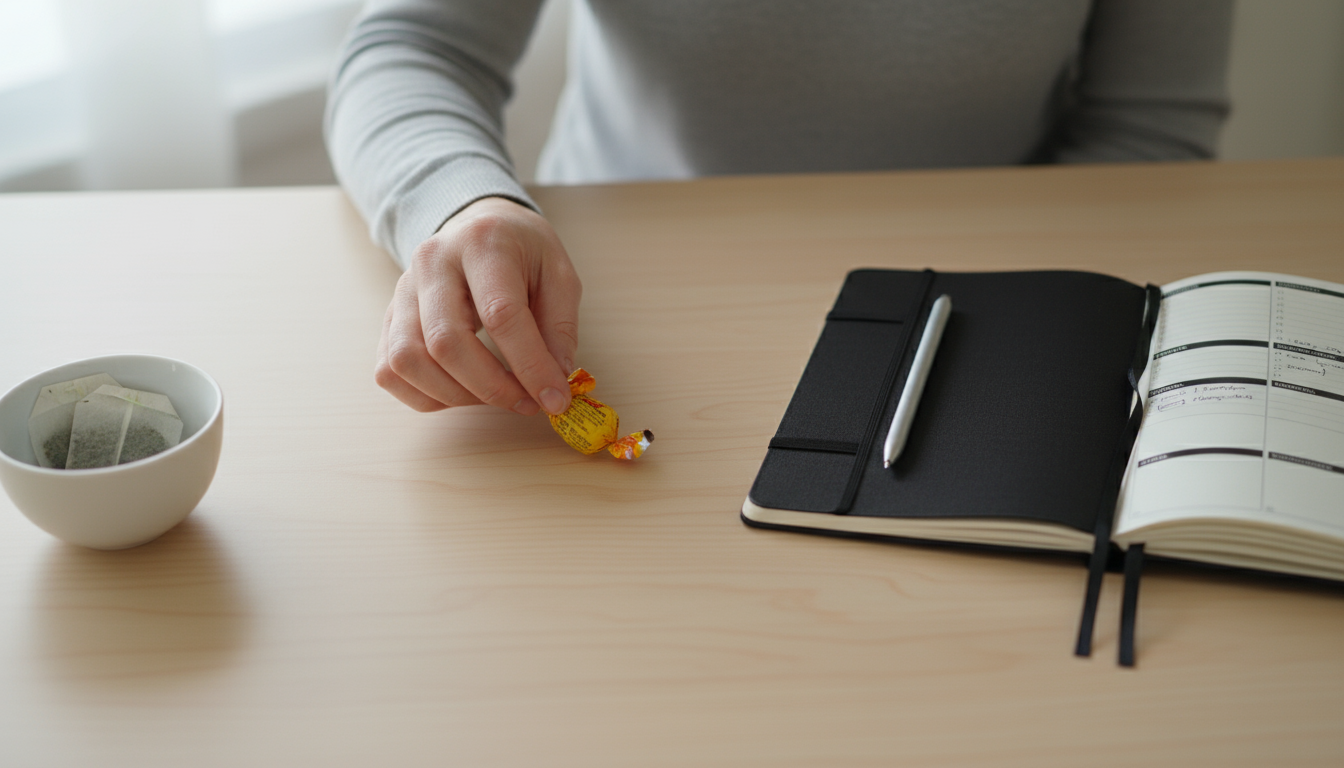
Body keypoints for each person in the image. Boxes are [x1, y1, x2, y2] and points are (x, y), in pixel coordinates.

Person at [326, 0, 1233, 418]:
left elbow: (1149, 128)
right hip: (620, 308)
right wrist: (463, 206)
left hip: (981, 328)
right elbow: (411, 44)